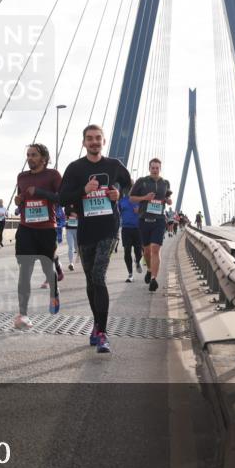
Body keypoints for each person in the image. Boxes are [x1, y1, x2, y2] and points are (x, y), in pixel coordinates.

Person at [59, 125, 132, 353]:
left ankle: (102, 331)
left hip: (109, 228)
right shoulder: (75, 168)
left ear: (104, 141)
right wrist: (83, 190)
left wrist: (119, 194)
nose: (94, 142)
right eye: (89, 139)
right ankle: (97, 325)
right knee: (91, 281)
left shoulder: (114, 165)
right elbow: (62, 198)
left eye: (97, 138)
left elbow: (129, 184)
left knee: (99, 275)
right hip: (86, 230)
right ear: (84, 143)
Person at [14, 143, 62, 329]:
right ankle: (23, 314)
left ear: (43, 158)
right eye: (28, 154)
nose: (30, 158)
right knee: (24, 271)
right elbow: (20, 199)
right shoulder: (22, 177)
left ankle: (54, 290)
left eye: (33, 155)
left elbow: (62, 198)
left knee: (46, 267)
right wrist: (18, 200)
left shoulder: (53, 175)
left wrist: (40, 192)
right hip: (26, 228)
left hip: (46, 229)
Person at [129, 158, 173, 293]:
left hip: (159, 220)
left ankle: (154, 279)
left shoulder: (165, 183)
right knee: (146, 251)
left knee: (155, 249)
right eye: (153, 168)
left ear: (160, 168)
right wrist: (144, 198)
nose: (155, 170)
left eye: (157, 168)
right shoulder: (141, 181)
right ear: (149, 168)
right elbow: (131, 198)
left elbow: (166, 198)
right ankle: (149, 269)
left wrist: (168, 200)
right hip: (144, 220)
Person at [118, 194, 143, 282]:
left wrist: (140, 210)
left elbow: (147, 211)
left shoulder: (140, 199)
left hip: (138, 229)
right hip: (126, 229)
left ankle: (137, 261)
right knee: (127, 250)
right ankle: (130, 274)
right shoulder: (122, 201)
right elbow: (117, 213)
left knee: (138, 251)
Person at [65, 206, 79, 270]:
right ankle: (71, 263)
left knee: (77, 247)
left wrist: (76, 215)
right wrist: (71, 214)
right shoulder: (67, 205)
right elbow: (66, 213)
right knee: (70, 247)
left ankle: (80, 258)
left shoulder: (78, 203)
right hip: (69, 229)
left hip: (77, 229)